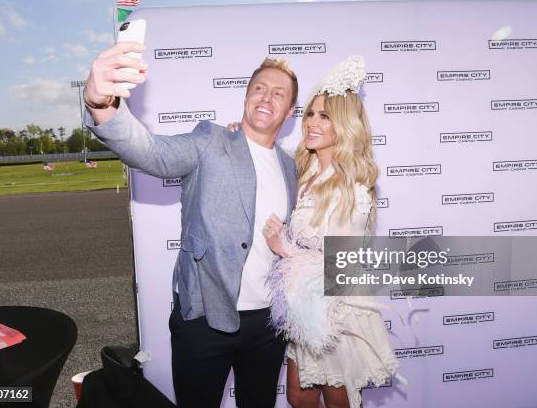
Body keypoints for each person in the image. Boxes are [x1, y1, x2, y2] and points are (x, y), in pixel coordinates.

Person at [82, 41, 299, 408]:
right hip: (203, 319)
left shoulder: (292, 167)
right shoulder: (209, 140)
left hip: (266, 324)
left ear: (290, 110)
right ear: (246, 97)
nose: (267, 97)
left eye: (279, 93)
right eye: (259, 88)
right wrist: (101, 105)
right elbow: (151, 152)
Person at [263, 56, 399, 408]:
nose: (311, 122)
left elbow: (343, 265)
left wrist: (283, 248)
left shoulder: (351, 187)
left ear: (344, 125)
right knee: (299, 397)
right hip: (304, 310)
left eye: (325, 116)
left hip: (335, 313)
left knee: (339, 400)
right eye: (310, 113)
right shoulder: (305, 171)